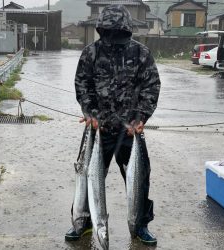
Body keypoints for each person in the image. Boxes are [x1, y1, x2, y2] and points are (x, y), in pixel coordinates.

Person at [65, 4, 161, 246]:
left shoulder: (141, 53)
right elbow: (82, 85)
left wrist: (141, 118)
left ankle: (139, 225)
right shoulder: (91, 53)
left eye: (119, 31)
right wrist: (91, 113)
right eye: (109, 31)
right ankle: (84, 222)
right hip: (99, 129)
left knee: (140, 179)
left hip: (130, 131)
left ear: (128, 29)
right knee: (88, 177)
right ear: (102, 29)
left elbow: (151, 86)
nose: (114, 36)